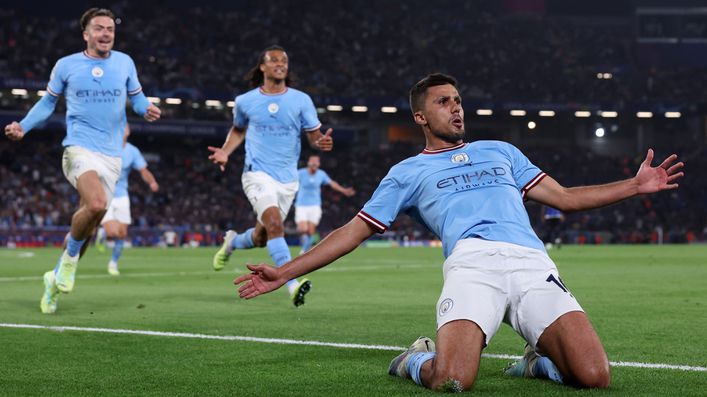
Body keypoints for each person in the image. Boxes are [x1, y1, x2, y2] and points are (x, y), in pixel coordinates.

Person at [233, 73, 684, 391]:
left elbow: (564, 197)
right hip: (473, 267)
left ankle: (536, 364)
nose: (456, 108)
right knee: (452, 380)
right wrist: (284, 270)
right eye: (443, 102)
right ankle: (413, 359)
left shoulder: (501, 151)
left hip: (531, 263)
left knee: (595, 376)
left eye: (458, 100)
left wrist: (634, 185)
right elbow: (353, 231)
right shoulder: (406, 172)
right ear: (421, 117)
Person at [4, 8, 161, 314]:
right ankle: (68, 265)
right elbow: (48, 102)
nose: (106, 33)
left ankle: (54, 281)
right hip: (78, 149)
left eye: (110, 29)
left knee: (87, 228)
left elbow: (138, 98)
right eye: (99, 28)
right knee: (99, 204)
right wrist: (23, 125)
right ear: (86, 34)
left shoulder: (125, 62)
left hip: (111, 155)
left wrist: (146, 109)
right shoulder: (67, 65)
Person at [208, 45, 334, 307]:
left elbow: (313, 137)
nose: (280, 64)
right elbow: (238, 130)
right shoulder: (245, 101)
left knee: (262, 237)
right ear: (262, 67)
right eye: (274, 60)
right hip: (257, 174)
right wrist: (224, 152)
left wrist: (321, 142)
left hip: (287, 180)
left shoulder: (301, 100)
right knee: (276, 223)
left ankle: (232, 242)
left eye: (284, 61)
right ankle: (291, 284)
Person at [96, 124, 159, 275]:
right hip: (105, 194)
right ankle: (103, 233)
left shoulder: (132, 151)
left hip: (122, 195)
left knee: (122, 234)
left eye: (126, 127)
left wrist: (152, 182)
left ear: (129, 131)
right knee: (113, 232)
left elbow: (143, 170)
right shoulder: (106, 146)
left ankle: (113, 263)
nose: (123, 130)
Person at [295, 154, 355, 254]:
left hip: (315, 205)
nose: (314, 163)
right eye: (312, 161)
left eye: (316, 161)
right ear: (308, 163)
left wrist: (343, 190)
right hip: (301, 205)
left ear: (318, 164)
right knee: (302, 228)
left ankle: (304, 251)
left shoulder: (321, 174)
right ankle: (306, 247)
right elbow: (289, 179)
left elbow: (332, 184)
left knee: (310, 231)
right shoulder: (301, 173)